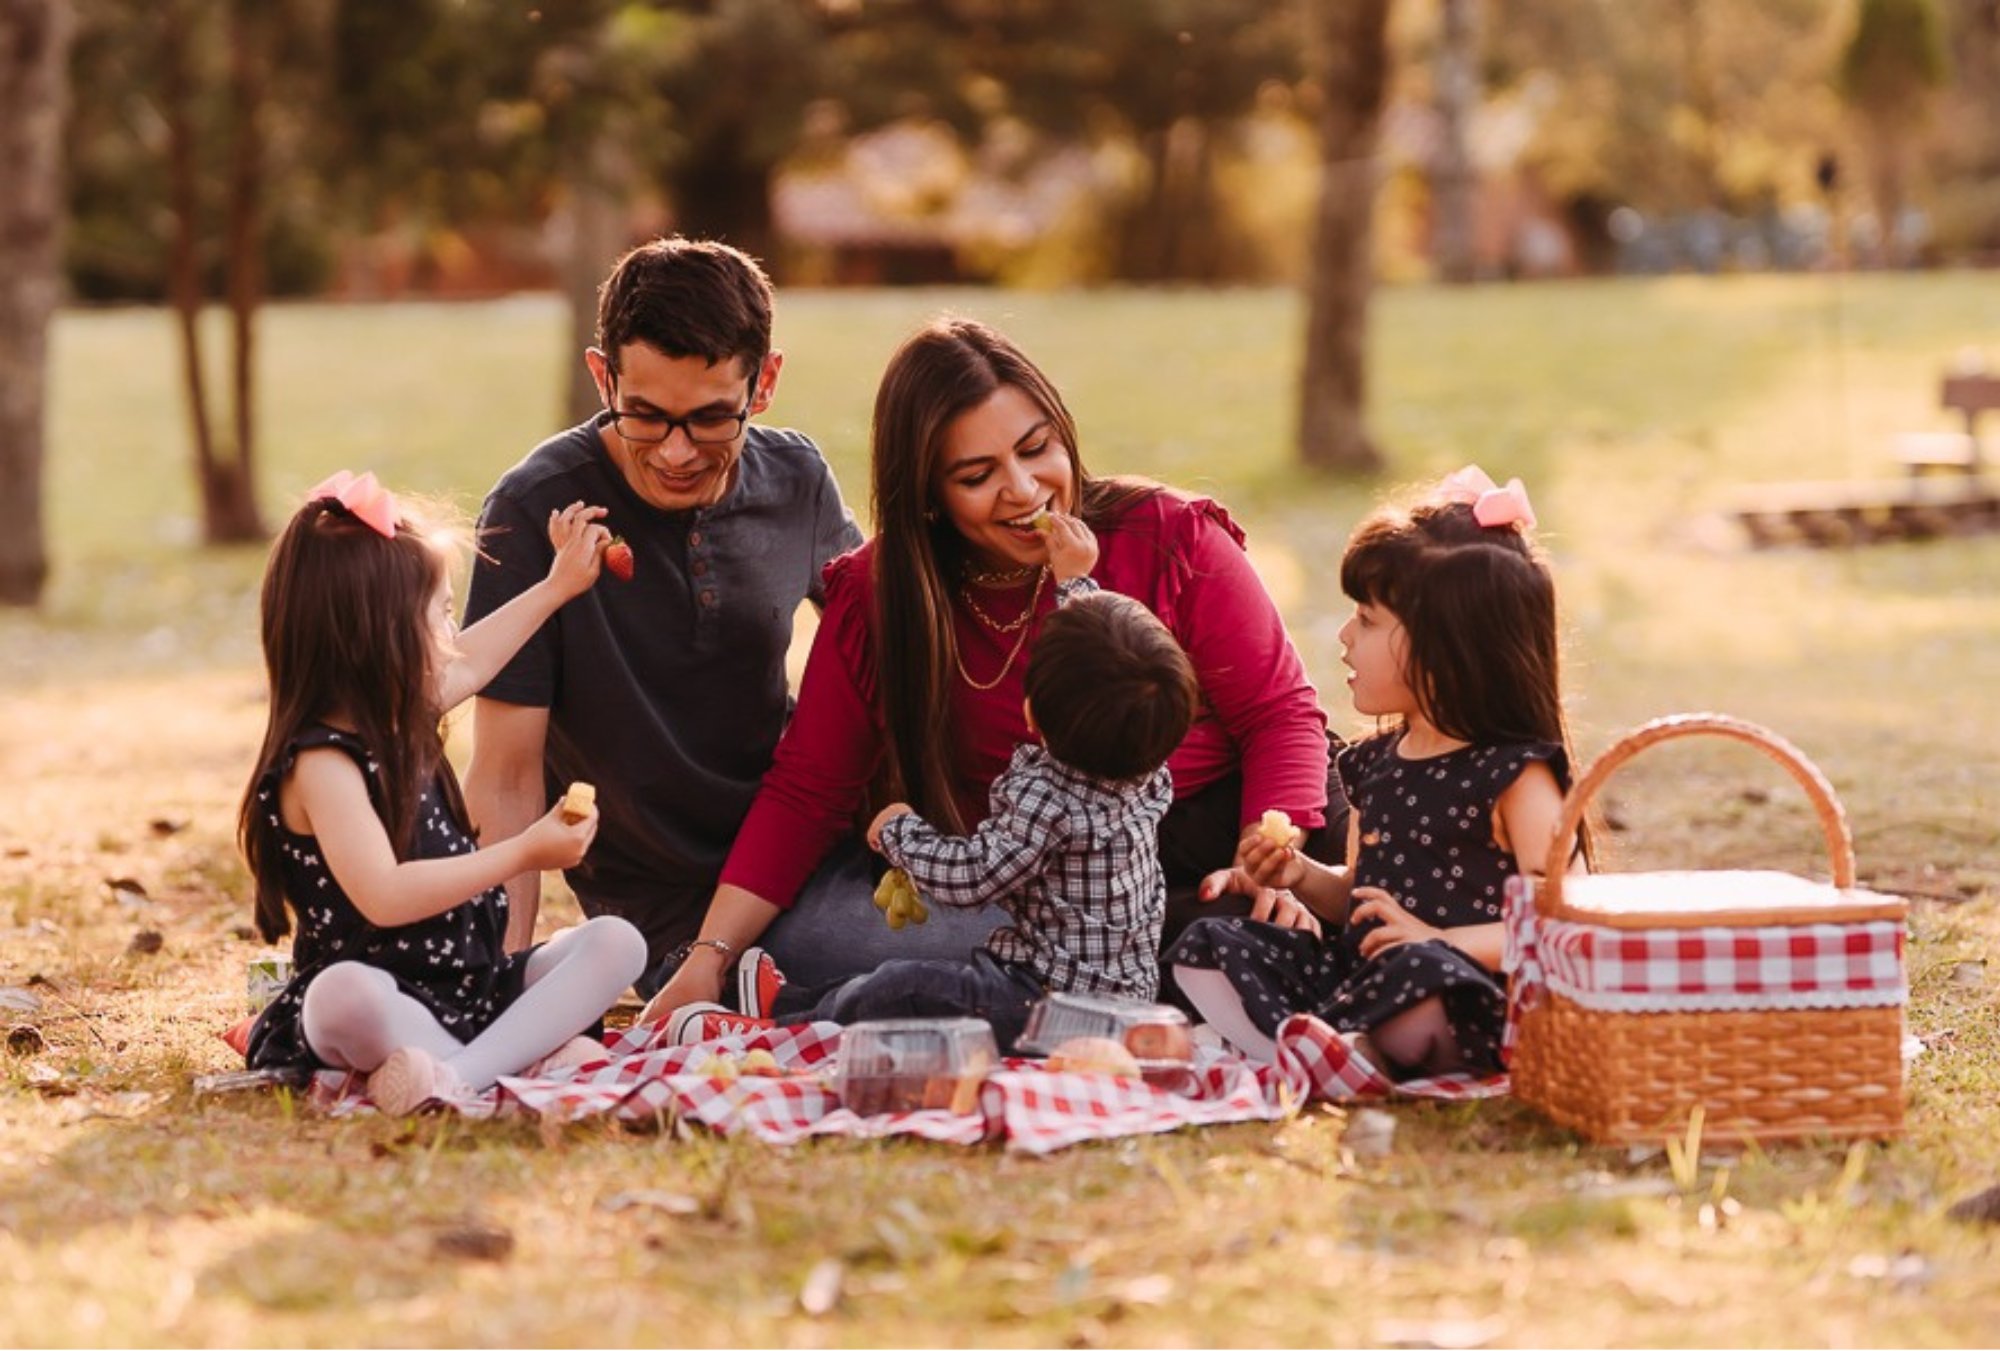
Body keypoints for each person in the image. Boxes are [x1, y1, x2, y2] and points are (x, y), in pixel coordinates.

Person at [639, 317, 1348, 1024]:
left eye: (1036, 449)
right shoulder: (879, 597)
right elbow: (807, 790)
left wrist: (1272, 856)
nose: (1022, 490)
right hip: (1036, 872)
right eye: (976, 475)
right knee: (810, 933)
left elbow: (1278, 713)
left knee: (1297, 907)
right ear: (928, 494)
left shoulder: (1165, 536)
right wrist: (709, 955)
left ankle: (1196, 965)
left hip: (1222, 827)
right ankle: (1188, 978)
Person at [462, 237, 863, 992]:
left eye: (713, 419)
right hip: (664, 907)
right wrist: (499, 984)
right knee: (878, 968)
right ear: (601, 375)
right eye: (644, 415)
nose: (677, 452)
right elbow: (507, 779)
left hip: (800, 853)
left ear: (766, 381)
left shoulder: (799, 479)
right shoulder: (531, 507)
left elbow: (887, 643)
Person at [237, 471, 648, 1115]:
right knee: (341, 995)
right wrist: (523, 852)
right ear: (380, 634)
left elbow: (477, 662)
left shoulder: (400, 715)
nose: (451, 635)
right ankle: (510, 1062)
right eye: (442, 613)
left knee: (618, 942)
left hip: (469, 987)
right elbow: (387, 896)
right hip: (384, 997)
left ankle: (455, 1074)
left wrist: (557, 587)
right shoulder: (323, 764)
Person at [1165, 467, 1590, 1080]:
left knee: (1415, 977)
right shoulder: (1373, 764)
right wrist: (1299, 875)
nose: (1343, 637)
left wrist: (1436, 941)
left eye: (1366, 620)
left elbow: (1566, 919)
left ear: (1446, 648)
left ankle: (1332, 1050)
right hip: (1363, 978)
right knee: (1217, 943)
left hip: (1464, 987)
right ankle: (1338, 1050)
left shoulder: (1516, 776)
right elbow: (1357, 899)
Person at [667, 564, 1200, 1051]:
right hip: (1120, 992)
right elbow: (1101, 659)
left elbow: (972, 877)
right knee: (914, 985)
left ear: (1032, 713)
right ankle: (789, 1000)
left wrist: (900, 832)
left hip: (1045, 1005)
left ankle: (776, 1030)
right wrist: (1075, 581)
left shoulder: (1047, 801)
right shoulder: (1145, 772)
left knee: (906, 988)